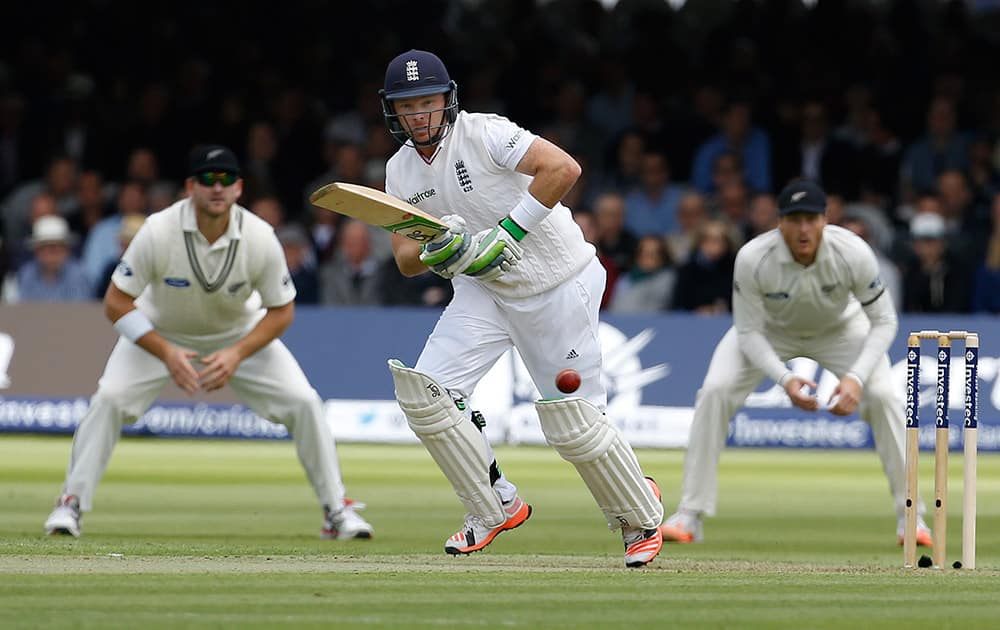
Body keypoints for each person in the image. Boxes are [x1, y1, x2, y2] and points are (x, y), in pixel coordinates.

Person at [378, 50, 663, 567]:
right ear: (392, 112)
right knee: (426, 395)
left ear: (448, 100)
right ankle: (495, 506)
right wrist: (438, 250)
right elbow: (404, 258)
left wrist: (503, 234)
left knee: (574, 422)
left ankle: (638, 517)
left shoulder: (485, 132)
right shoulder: (399, 171)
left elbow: (562, 168)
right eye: (407, 106)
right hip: (484, 290)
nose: (419, 115)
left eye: (427, 102)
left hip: (557, 281)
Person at [43, 145, 373, 541]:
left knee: (304, 403)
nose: (217, 188)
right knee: (109, 399)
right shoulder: (158, 230)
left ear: (238, 188)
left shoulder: (258, 236)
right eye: (207, 179)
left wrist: (236, 353)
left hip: (238, 334)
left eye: (226, 180)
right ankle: (71, 503)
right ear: (190, 187)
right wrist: (164, 351)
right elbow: (116, 302)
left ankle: (336, 509)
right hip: (160, 332)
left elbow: (282, 311)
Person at [659, 179, 931, 548]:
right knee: (715, 391)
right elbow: (748, 331)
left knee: (884, 397)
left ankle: (911, 516)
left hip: (840, 329)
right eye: (794, 219)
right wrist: (785, 379)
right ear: (780, 223)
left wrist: (854, 378)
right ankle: (689, 514)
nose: (803, 229)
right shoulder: (754, 257)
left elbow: (884, 321)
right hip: (770, 330)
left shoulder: (853, 251)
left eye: (811, 219)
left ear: (825, 220)